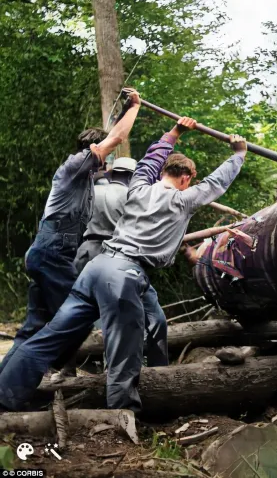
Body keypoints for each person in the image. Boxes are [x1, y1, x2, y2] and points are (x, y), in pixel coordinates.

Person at [0, 117, 247, 413]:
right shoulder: (184, 200)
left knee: (51, 336)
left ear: (161, 172)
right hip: (124, 275)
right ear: (186, 178)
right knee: (124, 351)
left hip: (96, 268)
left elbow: (150, 160)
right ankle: (121, 414)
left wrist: (174, 133)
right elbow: (216, 182)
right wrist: (238, 154)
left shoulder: (139, 186)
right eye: (191, 181)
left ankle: (5, 396)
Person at [0, 89, 142, 377]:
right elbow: (117, 137)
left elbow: (111, 133)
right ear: (95, 151)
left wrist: (123, 109)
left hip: (50, 253)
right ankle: (53, 366)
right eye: (106, 154)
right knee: (78, 316)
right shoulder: (76, 164)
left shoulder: (87, 176)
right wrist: (136, 107)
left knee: (33, 327)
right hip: (51, 253)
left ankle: (7, 382)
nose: (109, 160)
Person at [74, 157, 169, 367]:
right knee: (141, 318)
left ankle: (76, 365)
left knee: (83, 312)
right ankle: (153, 369)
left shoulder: (90, 191)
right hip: (117, 258)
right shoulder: (133, 195)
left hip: (84, 254)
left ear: (113, 173)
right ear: (132, 176)